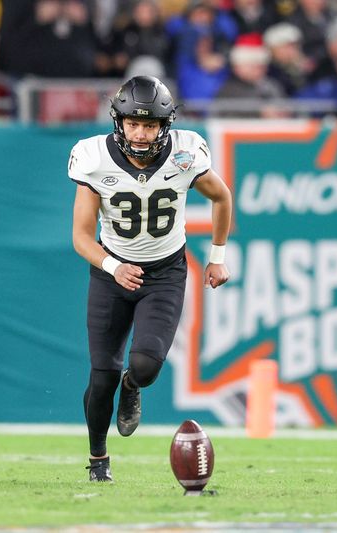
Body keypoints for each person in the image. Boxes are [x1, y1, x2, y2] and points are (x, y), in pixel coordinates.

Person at [67, 76, 232, 482]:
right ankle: (98, 460)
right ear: (118, 122)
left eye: (150, 125)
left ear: (165, 125)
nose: (141, 134)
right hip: (112, 272)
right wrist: (112, 266)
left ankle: (133, 384)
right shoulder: (94, 157)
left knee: (144, 366)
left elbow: (222, 196)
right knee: (101, 373)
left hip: (164, 272)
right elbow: (81, 236)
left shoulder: (186, 154)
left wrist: (217, 257)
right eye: (133, 124)